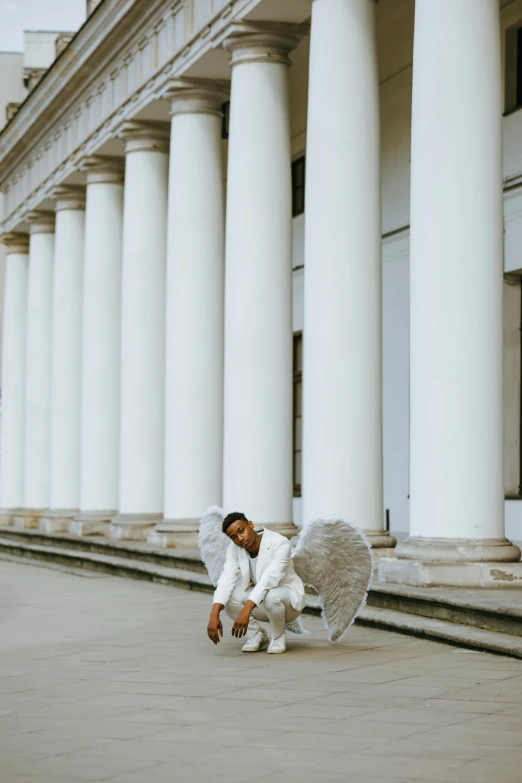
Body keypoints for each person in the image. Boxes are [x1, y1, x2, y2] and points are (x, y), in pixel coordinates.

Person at [206, 512, 306, 654]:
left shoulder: (280, 543)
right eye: (234, 537)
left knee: (271, 595)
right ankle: (256, 634)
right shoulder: (235, 548)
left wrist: (245, 611)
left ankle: (278, 636)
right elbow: (227, 577)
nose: (240, 539)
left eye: (242, 531)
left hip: (288, 601)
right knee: (228, 596)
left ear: (250, 525)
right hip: (262, 599)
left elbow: (268, 580)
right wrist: (214, 614)